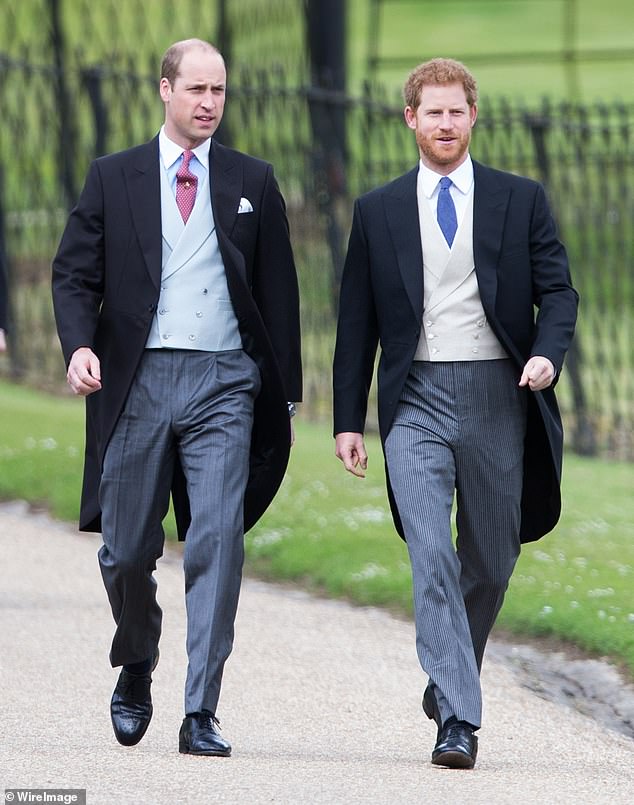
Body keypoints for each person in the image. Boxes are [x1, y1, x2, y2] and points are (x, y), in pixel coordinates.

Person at [52, 38, 302, 757]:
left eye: (219, 90)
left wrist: (283, 390)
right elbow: (73, 274)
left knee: (218, 540)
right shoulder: (114, 177)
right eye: (196, 89)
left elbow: (279, 291)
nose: (209, 103)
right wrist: (79, 346)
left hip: (225, 382)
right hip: (137, 380)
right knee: (126, 550)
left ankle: (201, 708)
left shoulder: (253, 178)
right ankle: (136, 659)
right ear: (164, 90)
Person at [333, 58, 578, 769]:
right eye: (431, 112)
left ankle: (447, 675)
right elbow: (357, 322)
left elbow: (559, 293)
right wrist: (349, 418)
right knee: (429, 549)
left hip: (501, 392)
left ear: (474, 117)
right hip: (415, 399)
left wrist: (546, 354)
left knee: (492, 559)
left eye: (456, 111)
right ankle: (459, 718)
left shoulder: (519, 198)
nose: (445, 123)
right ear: (411, 118)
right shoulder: (377, 211)